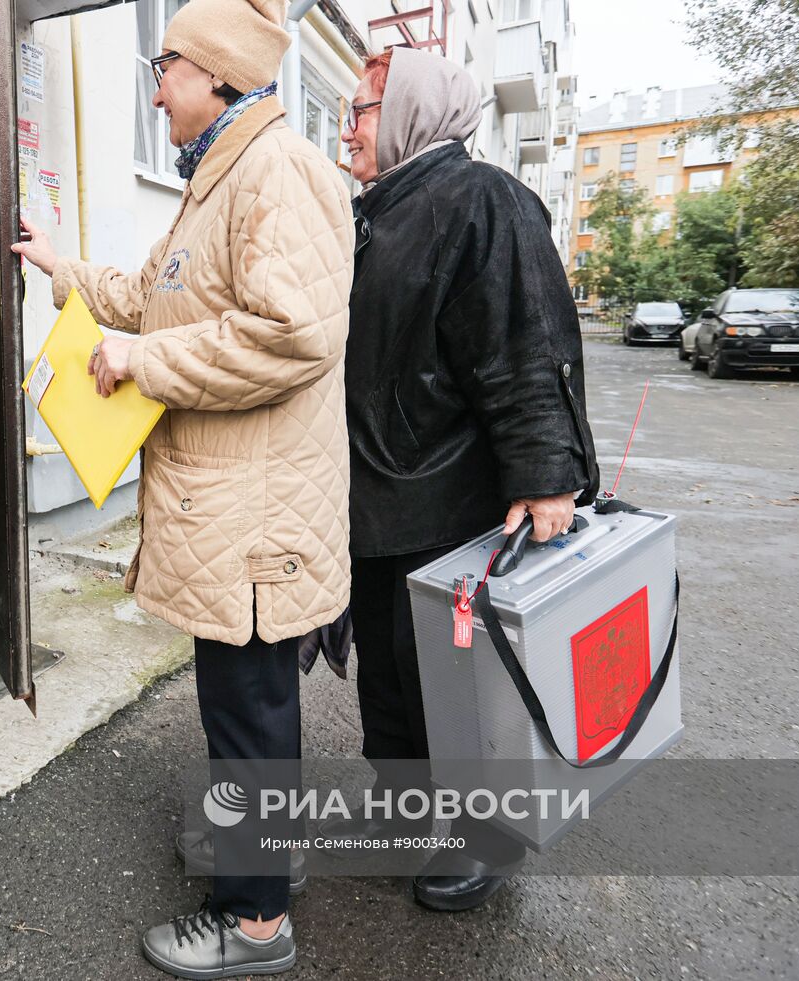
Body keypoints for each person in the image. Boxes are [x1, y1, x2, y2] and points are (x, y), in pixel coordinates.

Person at [13, 0, 352, 974]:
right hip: (227, 507)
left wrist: (141, 363)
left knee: (249, 711)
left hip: (252, 514)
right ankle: (253, 866)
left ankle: (253, 924)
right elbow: (163, 300)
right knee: (237, 704)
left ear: (213, 74)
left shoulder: (275, 173)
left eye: (165, 63)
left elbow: (289, 336)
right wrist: (60, 269)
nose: (152, 82)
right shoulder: (224, 177)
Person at [334, 48, 600, 910]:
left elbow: (523, 347)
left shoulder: (482, 198)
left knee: (456, 687)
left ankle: (482, 836)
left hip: (451, 502)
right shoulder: (377, 214)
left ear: (411, 112)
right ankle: (407, 806)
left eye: (364, 108)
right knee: (388, 677)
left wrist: (546, 476)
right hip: (380, 499)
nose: (347, 124)